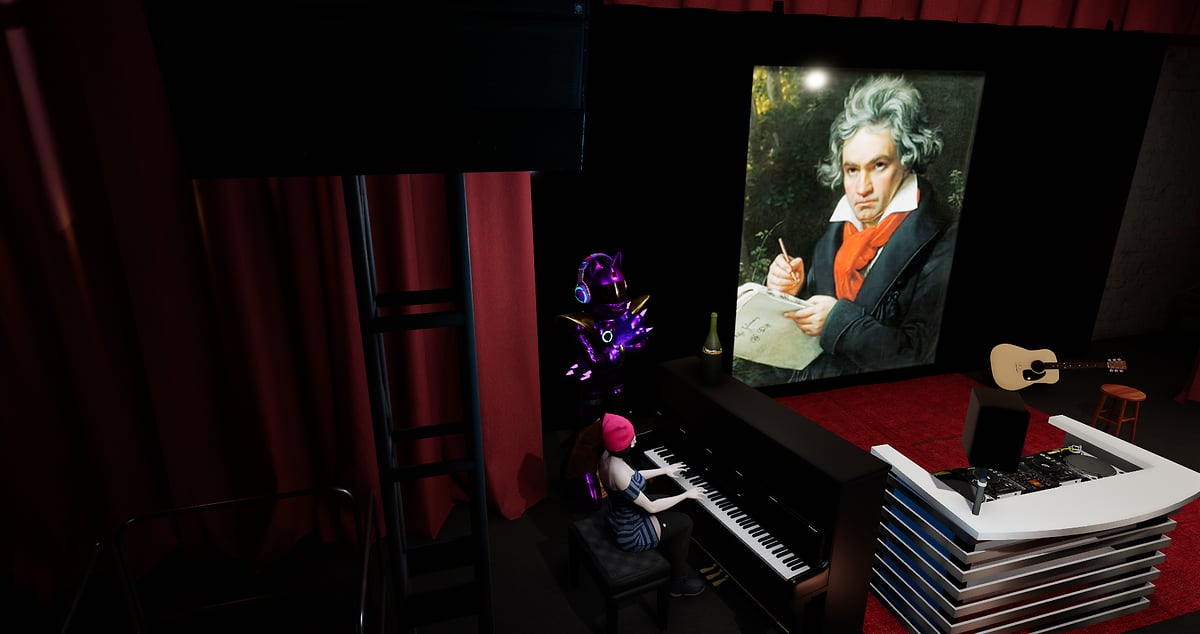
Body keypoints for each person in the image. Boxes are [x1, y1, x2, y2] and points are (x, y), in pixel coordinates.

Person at [750, 74, 958, 385]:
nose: (862, 188)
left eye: (879, 165)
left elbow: (920, 358)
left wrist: (836, 321)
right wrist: (790, 294)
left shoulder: (943, 239)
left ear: (907, 161)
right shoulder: (834, 238)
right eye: (851, 170)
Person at [596, 412, 707, 597]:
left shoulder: (607, 456)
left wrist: (664, 470)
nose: (634, 440)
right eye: (630, 439)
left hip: (620, 513)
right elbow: (651, 507)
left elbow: (634, 476)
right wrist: (686, 495)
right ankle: (677, 583)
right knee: (685, 522)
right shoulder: (618, 472)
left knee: (667, 501)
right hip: (631, 532)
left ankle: (670, 548)